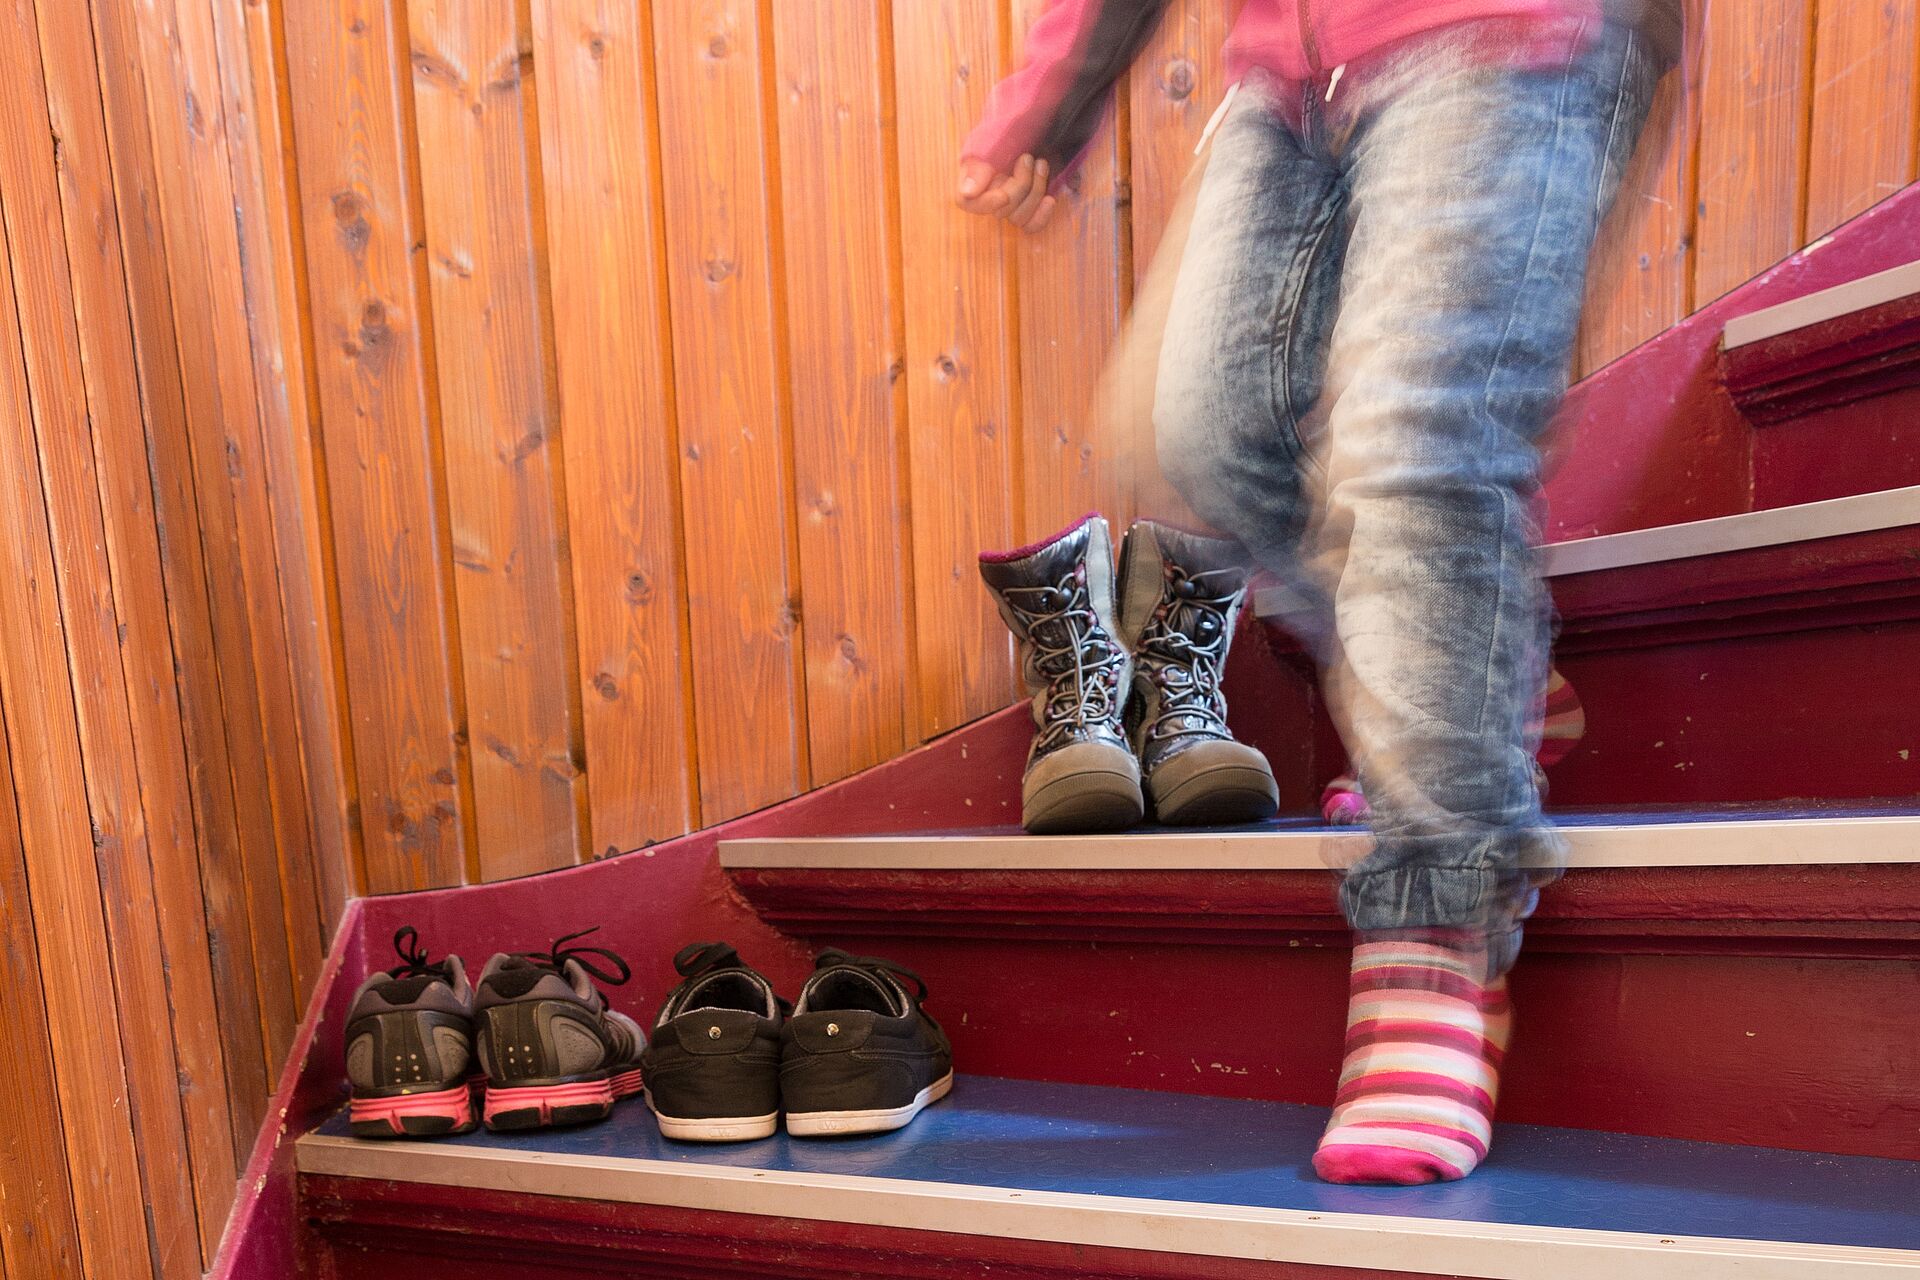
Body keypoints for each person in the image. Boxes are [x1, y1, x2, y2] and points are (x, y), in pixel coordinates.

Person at [957, 0, 1680, 1185]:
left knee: (1413, 450)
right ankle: (1477, 688)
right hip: (1292, 74)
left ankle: (1438, 921)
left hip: (1511, 35)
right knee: (1195, 430)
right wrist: (1059, 85)